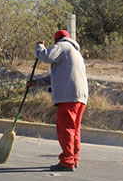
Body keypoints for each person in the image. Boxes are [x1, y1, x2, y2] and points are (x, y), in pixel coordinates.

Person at [27, 29, 88, 171]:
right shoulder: (74, 52)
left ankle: (67, 161)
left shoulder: (63, 46)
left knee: (65, 129)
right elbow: (55, 77)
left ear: (56, 40)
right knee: (74, 129)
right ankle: (74, 158)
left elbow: (45, 56)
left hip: (68, 95)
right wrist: (36, 82)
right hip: (80, 97)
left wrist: (39, 47)